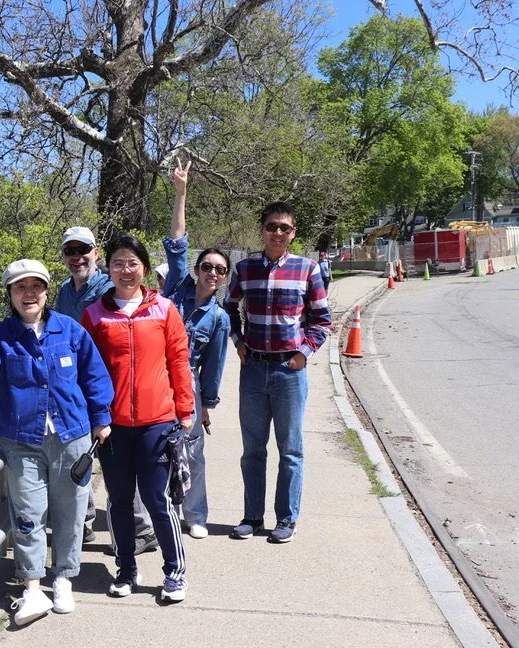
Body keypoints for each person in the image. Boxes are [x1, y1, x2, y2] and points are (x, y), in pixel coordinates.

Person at [0, 260, 114, 625]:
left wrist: (102, 418)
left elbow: (94, 375)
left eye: (36, 287)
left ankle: (63, 578)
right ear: (10, 295)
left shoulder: (69, 330)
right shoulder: (0, 334)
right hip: (22, 439)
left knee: (71, 511)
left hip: (71, 435)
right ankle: (32, 587)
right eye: (20, 288)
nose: (29, 294)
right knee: (28, 513)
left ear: (45, 292)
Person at [81, 234, 195, 603]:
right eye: (118, 263)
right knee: (118, 499)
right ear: (107, 268)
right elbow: (88, 371)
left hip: (157, 422)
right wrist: (97, 416)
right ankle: (126, 569)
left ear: (144, 267)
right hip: (112, 426)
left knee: (157, 498)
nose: (125, 270)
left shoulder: (164, 309)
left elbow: (178, 360)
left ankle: (175, 570)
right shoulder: (95, 314)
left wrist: (185, 408)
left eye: (132, 263)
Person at [224, 202, 331, 544]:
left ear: (293, 233)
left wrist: (303, 354)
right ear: (262, 229)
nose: (278, 233)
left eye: (285, 228)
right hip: (253, 369)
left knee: (291, 450)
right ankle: (252, 516)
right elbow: (229, 308)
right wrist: (239, 341)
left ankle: (286, 519)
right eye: (272, 226)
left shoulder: (307, 269)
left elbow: (322, 321)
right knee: (252, 449)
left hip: (289, 371)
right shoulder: (244, 269)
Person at [54, 227, 157, 554]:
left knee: (116, 465)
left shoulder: (108, 288)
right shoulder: (63, 292)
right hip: (73, 389)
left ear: (96, 252)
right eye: (70, 251)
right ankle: (82, 524)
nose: (76, 257)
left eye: (82, 249)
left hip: (108, 389)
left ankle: (141, 530)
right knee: (77, 457)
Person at [161, 159, 229, 540]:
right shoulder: (174, 288)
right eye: (207, 266)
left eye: (219, 270)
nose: (212, 273)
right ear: (198, 268)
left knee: (192, 450)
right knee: (157, 450)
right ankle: (163, 509)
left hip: (188, 384)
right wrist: (181, 193)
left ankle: (195, 513)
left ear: (223, 278)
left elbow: (214, 366)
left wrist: (207, 406)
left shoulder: (219, 319)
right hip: (156, 377)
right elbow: (177, 241)